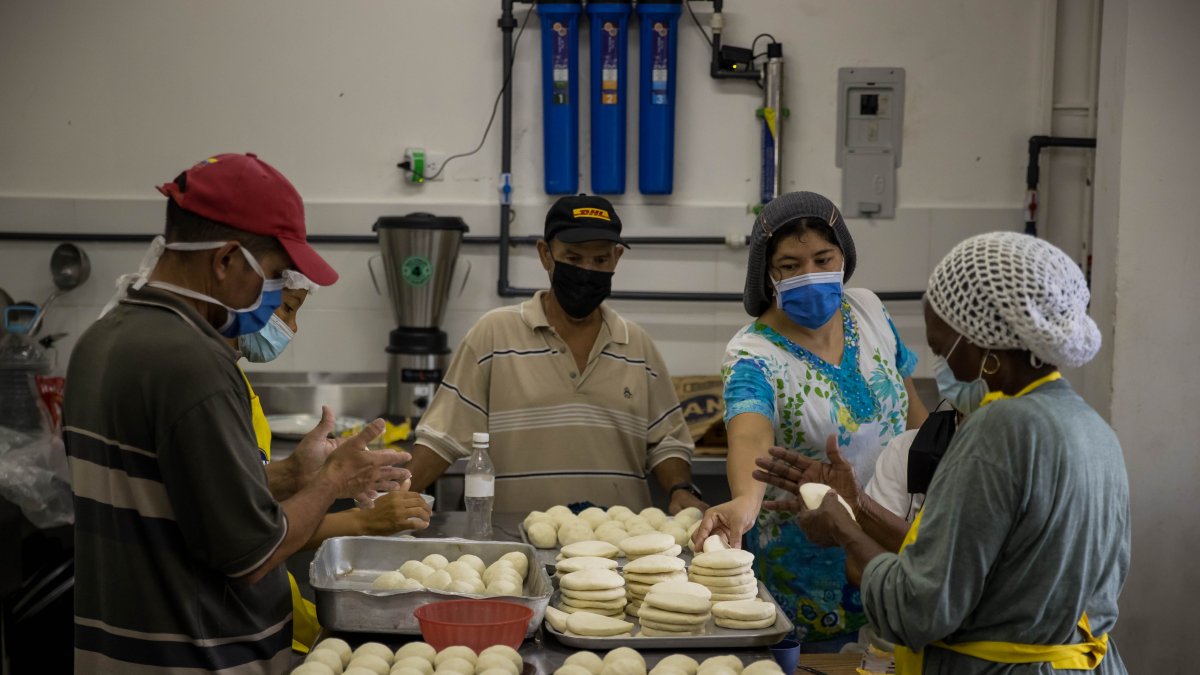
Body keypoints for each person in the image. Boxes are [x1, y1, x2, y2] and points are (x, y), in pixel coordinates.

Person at [64, 153, 409, 674]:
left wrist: (295, 474)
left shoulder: (100, 340)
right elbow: (251, 554)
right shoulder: (196, 362)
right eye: (273, 277)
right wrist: (331, 480)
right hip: (199, 657)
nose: (273, 302)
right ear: (226, 260)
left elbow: (180, 499)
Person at [778, 231, 1129, 674]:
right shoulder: (1089, 428)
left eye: (944, 350)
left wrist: (843, 531)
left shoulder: (998, 428)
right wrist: (857, 506)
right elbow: (975, 566)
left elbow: (918, 607)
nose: (942, 369)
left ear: (987, 347)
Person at [694, 191, 928, 650]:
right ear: (767, 271)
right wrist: (744, 503)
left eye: (823, 258)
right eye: (791, 265)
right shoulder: (753, 353)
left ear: (844, 256)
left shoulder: (870, 310)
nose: (810, 275)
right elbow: (750, 434)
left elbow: (912, 410)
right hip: (807, 569)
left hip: (893, 549)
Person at [405, 194, 707, 514]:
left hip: (617, 552)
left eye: (600, 261)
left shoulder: (637, 346)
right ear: (545, 255)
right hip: (515, 549)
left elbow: (667, 442)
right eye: (574, 259)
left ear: (616, 258)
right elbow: (440, 438)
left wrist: (680, 489)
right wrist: (389, 500)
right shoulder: (493, 335)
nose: (587, 271)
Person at [232, 270, 432, 653]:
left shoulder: (235, 380)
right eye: (287, 309)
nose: (292, 328)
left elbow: (241, 487)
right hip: (238, 628)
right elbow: (242, 533)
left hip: (274, 613)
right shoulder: (203, 386)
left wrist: (296, 474)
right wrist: (358, 517)